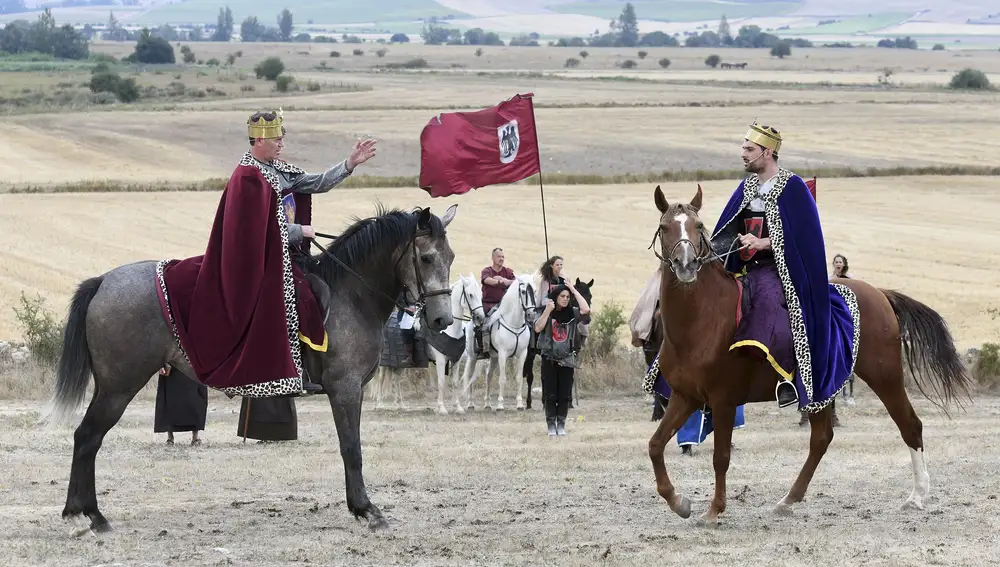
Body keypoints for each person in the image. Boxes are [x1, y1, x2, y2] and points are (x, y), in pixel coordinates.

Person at [156, 109, 377, 399]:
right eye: (277, 138)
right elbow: (254, 228)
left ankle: (308, 367)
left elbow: (315, 183)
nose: (282, 142)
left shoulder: (277, 169)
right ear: (260, 139)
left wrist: (349, 164)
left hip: (280, 256)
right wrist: (299, 231)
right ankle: (284, 369)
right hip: (253, 263)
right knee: (296, 297)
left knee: (315, 291)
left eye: (282, 137)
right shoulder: (247, 176)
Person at [710, 121, 857, 414]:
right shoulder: (747, 186)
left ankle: (784, 377)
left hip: (781, 271)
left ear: (766, 152)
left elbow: (805, 241)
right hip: (743, 266)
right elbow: (726, 228)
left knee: (766, 300)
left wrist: (763, 243)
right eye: (742, 147)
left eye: (749, 149)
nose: (743, 154)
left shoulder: (793, 188)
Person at [533, 282, 590, 436]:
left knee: (564, 394)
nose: (565, 299)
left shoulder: (572, 312)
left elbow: (586, 309)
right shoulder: (547, 312)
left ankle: (561, 424)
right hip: (549, 358)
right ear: (555, 297)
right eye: (562, 296)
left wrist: (573, 290)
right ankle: (551, 424)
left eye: (567, 297)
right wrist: (547, 310)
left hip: (567, 358)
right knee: (550, 394)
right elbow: (537, 328)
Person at [153, 364, 207, 446]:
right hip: (173, 365)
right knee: (170, 399)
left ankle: (195, 437)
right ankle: (170, 438)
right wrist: (161, 364)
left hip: (192, 364)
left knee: (195, 400)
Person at [481, 247, 515, 315]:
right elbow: (486, 280)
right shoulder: (487, 270)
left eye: (503, 257)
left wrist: (505, 281)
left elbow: (517, 282)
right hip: (488, 306)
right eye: (499, 256)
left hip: (504, 306)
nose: (501, 259)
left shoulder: (508, 271)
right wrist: (499, 282)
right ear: (493, 258)